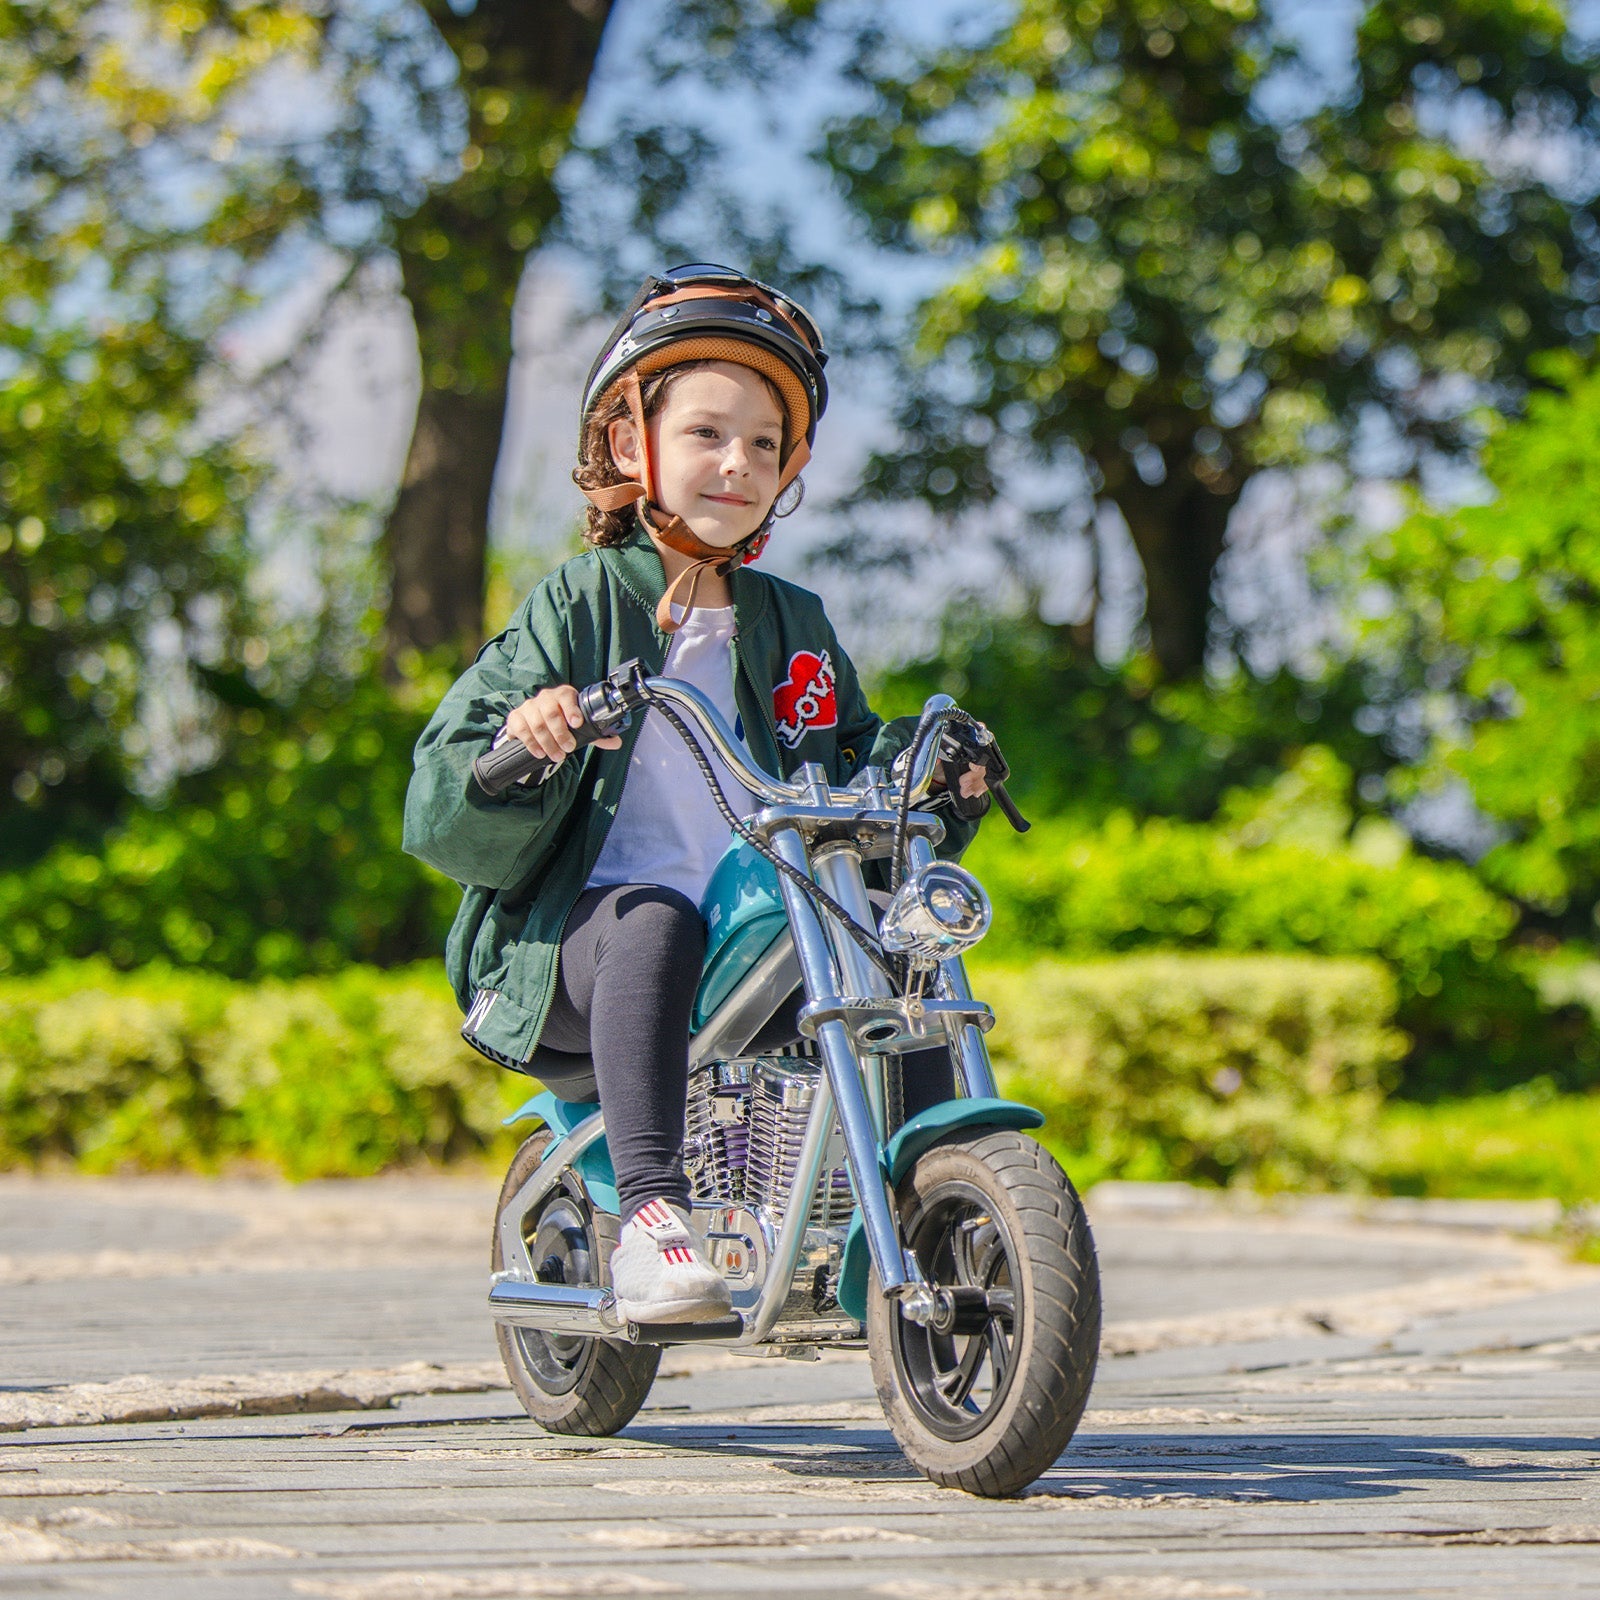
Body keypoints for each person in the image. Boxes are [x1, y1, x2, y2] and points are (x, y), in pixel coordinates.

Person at [403, 264, 991, 1325]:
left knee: (900, 943)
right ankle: (651, 1219)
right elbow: (442, 795)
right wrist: (524, 739)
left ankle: (916, 1206)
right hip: (570, 948)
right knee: (652, 915)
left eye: (764, 443)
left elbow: (859, 766)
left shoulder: (789, 619)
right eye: (708, 435)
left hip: (754, 933)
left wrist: (934, 776)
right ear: (634, 448)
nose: (738, 463)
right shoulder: (579, 602)